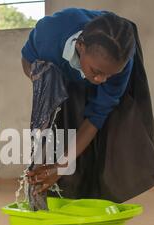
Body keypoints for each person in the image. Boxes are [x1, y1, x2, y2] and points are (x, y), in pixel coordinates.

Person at [21, 8, 137, 195]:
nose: (101, 80)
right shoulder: (49, 35)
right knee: (62, 119)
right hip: (59, 65)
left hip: (109, 52)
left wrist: (61, 167)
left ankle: (92, 189)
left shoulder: (119, 64)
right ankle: (60, 187)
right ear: (80, 45)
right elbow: (26, 59)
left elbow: (97, 115)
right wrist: (41, 78)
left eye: (109, 74)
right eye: (97, 71)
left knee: (108, 133)